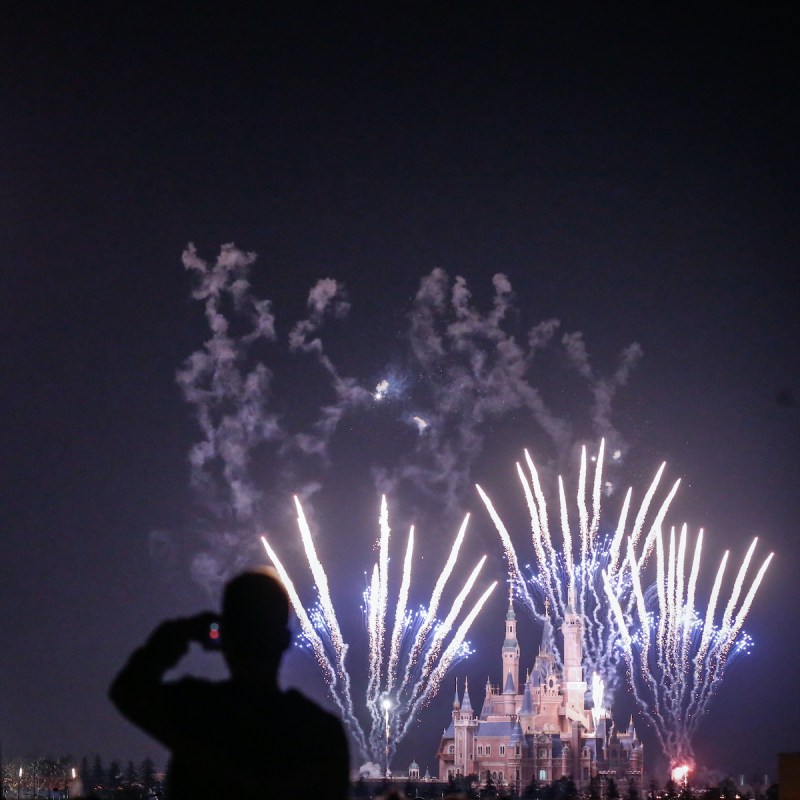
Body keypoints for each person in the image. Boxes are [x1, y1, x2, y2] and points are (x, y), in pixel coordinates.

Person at [110, 567, 350, 800]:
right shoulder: (320, 732)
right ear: (284, 641)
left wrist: (181, 631)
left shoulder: (196, 711)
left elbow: (127, 690)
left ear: (225, 640)